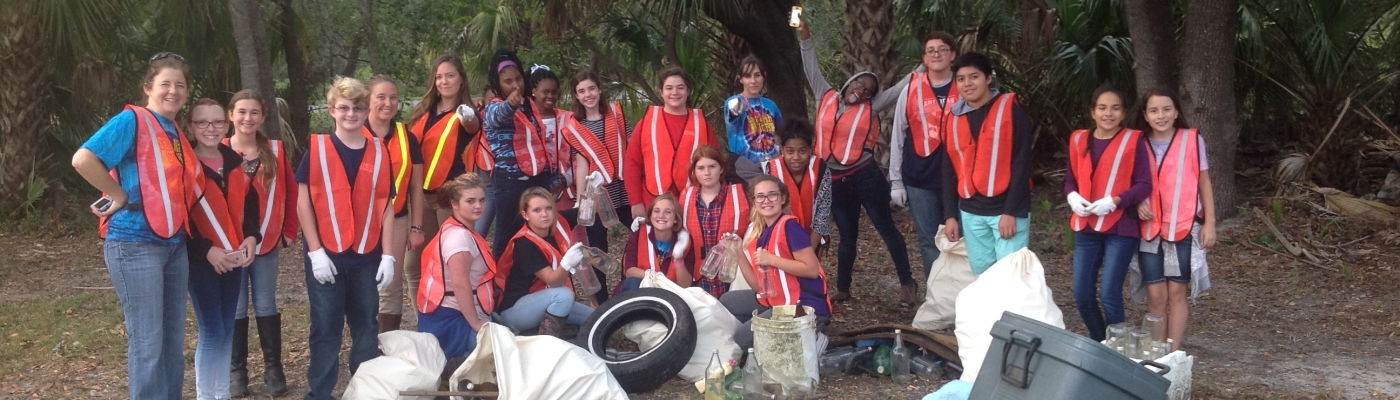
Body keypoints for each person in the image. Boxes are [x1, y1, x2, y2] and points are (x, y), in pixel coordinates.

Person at [72, 52, 198, 399]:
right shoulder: (133, 121)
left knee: (173, 341)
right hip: (134, 244)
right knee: (148, 342)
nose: (173, 91)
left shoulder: (173, 131)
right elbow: (83, 158)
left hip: (173, 245)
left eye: (180, 85)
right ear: (148, 88)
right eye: (165, 84)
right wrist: (118, 194)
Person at [796, 15, 916, 305]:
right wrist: (804, 35)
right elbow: (809, 63)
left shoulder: (872, 106)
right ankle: (844, 287)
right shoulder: (824, 94)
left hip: (865, 176)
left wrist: (926, 66)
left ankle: (907, 283)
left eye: (866, 91)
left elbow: (900, 88)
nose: (860, 92)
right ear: (849, 82)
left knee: (885, 227)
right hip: (834, 178)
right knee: (846, 235)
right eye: (858, 85)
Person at [295, 77, 397, 400]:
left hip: (366, 256)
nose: (350, 114)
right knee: (326, 329)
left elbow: (386, 206)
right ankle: (320, 393)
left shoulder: (380, 152)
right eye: (343, 108)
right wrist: (315, 252)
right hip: (327, 256)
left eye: (357, 108)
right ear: (331, 111)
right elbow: (303, 203)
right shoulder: (317, 150)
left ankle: (364, 390)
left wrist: (389, 254)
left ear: (366, 111)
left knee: (367, 326)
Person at [183, 98, 261, 400]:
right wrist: (205, 251)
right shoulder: (185, 165)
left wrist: (251, 238)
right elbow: (181, 217)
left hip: (233, 258)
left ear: (226, 125)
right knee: (212, 331)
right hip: (202, 261)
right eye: (201, 122)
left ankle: (221, 393)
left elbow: (250, 206)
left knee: (227, 329)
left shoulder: (235, 162)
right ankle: (206, 395)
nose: (210, 128)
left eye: (217, 122)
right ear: (190, 126)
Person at [222, 90, 296, 397]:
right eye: (241, 112)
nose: (247, 118)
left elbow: (292, 194)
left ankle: (273, 369)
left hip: (266, 244)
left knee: (265, 303)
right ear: (230, 115)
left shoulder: (275, 151)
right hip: (228, 245)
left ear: (263, 117)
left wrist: (289, 230)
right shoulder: (218, 149)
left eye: (254, 113)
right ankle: (237, 371)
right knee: (235, 306)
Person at [1130, 87, 1217, 351]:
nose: (1161, 115)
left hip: (1182, 226)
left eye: (1167, 109)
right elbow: (1127, 183)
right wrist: (1136, 203)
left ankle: (1173, 351)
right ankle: (1158, 352)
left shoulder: (1191, 140)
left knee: (1178, 292)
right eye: (1154, 110)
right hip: (1149, 228)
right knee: (1156, 294)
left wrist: (1210, 222)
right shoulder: (1136, 142)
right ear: (1145, 115)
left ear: (1176, 111)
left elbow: (1204, 180)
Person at [1065, 85, 1152, 342]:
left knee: (1109, 293)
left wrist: (1115, 201)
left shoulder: (1134, 140)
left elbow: (1144, 184)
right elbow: (1070, 179)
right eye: (1102, 108)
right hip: (1086, 227)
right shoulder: (1079, 139)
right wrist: (1072, 196)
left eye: (1115, 108)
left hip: (1121, 227)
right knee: (1081, 293)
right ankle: (1100, 340)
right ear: (1092, 112)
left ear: (1123, 112)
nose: (1108, 113)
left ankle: (1117, 347)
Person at [940, 52, 1035, 276]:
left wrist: (1011, 211)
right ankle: (990, 313)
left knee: (1010, 276)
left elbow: (1022, 163)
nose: (967, 84)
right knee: (982, 274)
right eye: (961, 79)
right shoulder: (954, 117)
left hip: (1005, 210)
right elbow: (948, 168)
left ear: (988, 78)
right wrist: (950, 215)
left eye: (974, 77)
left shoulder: (1011, 111)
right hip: (971, 211)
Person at [405, 54, 485, 315]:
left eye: (450, 75)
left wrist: (468, 113)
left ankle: (458, 317)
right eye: (439, 76)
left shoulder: (466, 114)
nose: (444, 81)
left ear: (461, 80)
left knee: (453, 263)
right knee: (413, 264)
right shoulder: (422, 112)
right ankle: (424, 319)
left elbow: (473, 125)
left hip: (448, 198)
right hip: (418, 196)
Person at [719, 175, 830, 349]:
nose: (766, 201)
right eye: (760, 196)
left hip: (803, 307)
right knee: (728, 301)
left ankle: (811, 339)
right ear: (754, 202)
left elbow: (811, 270)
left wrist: (772, 259)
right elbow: (758, 287)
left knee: (742, 339)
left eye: (772, 195)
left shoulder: (790, 227)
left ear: (783, 198)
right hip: (778, 300)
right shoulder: (764, 233)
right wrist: (739, 251)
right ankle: (773, 330)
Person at [887, 32, 961, 280]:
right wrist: (896, 181)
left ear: (953, 54)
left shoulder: (966, 85)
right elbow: (898, 134)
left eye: (942, 49)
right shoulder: (911, 88)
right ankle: (936, 299)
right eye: (931, 50)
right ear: (924, 58)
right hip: (920, 177)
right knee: (929, 241)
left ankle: (963, 297)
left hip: (962, 179)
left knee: (962, 239)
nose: (937, 54)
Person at [556, 69, 630, 304]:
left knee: (640, 234)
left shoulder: (616, 114)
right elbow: (581, 165)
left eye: (591, 88)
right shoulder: (575, 127)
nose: (587, 94)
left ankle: (631, 288)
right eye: (581, 91)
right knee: (598, 247)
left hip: (625, 189)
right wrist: (581, 201)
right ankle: (603, 301)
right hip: (598, 193)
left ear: (599, 89)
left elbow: (631, 146)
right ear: (576, 96)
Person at [484, 49, 563, 257]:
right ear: (497, 84)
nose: (515, 85)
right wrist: (510, 104)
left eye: (518, 78)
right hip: (509, 183)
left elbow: (541, 144)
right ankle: (498, 286)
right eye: (508, 81)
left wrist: (552, 175)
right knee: (506, 236)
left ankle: (536, 281)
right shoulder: (494, 108)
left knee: (540, 230)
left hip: (537, 179)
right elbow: (498, 116)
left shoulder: (530, 106)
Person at [365, 75, 427, 333]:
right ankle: (365, 338)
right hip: (362, 223)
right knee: (363, 281)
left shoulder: (406, 136)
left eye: (393, 97)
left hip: (398, 220)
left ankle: (386, 342)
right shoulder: (354, 132)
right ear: (368, 100)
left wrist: (417, 227)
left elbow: (415, 187)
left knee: (391, 284)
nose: (387, 103)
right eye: (381, 97)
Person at [493, 187, 594, 337]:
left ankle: (550, 331)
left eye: (548, 208)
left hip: (545, 300)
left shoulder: (558, 222)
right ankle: (545, 344)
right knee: (563, 296)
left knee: (595, 317)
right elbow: (553, 282)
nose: (544, 214)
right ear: (525, 215)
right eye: (537, 210)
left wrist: (594, 190)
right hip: (515, 310)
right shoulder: (524, 243)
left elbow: (589, 212)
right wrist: (566, 264)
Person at [624, 66, 717, 223]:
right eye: (669, 88)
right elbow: (632, 163)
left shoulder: (700, 124)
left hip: (694, 201)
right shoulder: (646, 123)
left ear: (688, 91)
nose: (675, 92)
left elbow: (716, 162)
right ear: (661, 92)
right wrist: (635, 202)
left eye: (680, 88)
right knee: (657, 246)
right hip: (654, 201)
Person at [416, 173, 493, 358]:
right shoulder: (460, 239)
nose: (478, 206)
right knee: (504, 352)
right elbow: (460, 284)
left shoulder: (457, 228)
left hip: (447, 315)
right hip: (452, 323)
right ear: (454, 204)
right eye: (470, 201)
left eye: (482, 200)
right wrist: (476, 323)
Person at [679, 145, 749, 297]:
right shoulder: (686, 197)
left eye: (712, 166)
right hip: (698, 275)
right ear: (694, 171)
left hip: (732, 275)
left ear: (721, 169)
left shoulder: (740, 194)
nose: (707, 173)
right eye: (701, 168)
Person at [766, 118, 832, 253]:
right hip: (781, 235)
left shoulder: (820, 168)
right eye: (790, 151)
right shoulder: (772, 169)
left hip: (814, 236)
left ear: (810, 150)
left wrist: (810, 250)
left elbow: (823, 211)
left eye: (802, 151)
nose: (796, 157)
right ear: (782, 150)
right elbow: (769, 208)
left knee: (811, 272)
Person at [724, 54, 782, 182]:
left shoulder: (771, 105)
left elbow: (779, 134)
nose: (753, 81)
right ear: (740, 79)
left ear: (763, 76)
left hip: (771, 168)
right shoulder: (734, 102)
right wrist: (737, 108)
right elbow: (732, 110)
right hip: (743, 170)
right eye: (747, 76)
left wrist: (779, 156)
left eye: (757, 75)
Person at [620, 194, 696, 291]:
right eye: (656, 211)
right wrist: (658, 279)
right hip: (642, 289)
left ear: (676, 219)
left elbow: (685, 285)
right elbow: (629, 271)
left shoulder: (684, 241)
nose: (661, 216)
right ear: (650, 215)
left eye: (668, 212)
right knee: (632, 282)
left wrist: (678, 259)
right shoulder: (638, 234)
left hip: (670, 295)